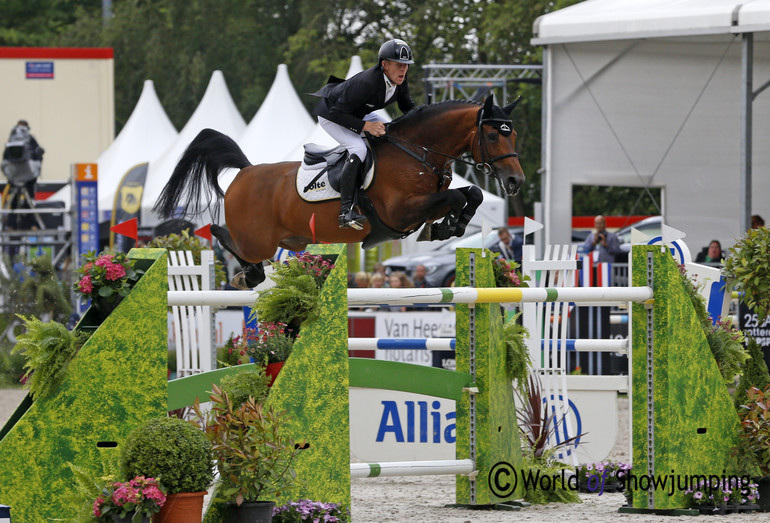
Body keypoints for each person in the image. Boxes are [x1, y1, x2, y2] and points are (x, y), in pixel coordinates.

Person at [311, 39, 417, 230]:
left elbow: (407, 106)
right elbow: (337, 113)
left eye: (406, 66)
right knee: (358, 148)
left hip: (357, 112)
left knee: (392, 133)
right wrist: (366, 126)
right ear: (384, 64)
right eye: (399, 65)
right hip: (332, 114)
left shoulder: (399, 80)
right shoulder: (368, 82)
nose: (403, 70)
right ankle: (345, 211)